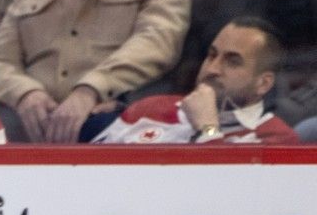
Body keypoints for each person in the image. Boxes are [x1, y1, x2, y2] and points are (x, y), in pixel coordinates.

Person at [0, 0, 195, 143]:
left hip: (114, 120)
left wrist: (91, 89)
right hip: (29, 122)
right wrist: (25, 94)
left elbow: (157, 42)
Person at [148, 0, 317, 128]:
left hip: (286, 119)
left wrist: (286, 112)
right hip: (203, 117)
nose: (213, 67)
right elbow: (183, 72)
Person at [93, 18, 299, 145]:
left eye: (232, 62)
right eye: (211, 55)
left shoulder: (275, 138)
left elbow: (225, 201)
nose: (212, 69)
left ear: (263, 83)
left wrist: (208, 129)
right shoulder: (148, 109)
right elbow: (87, 174)